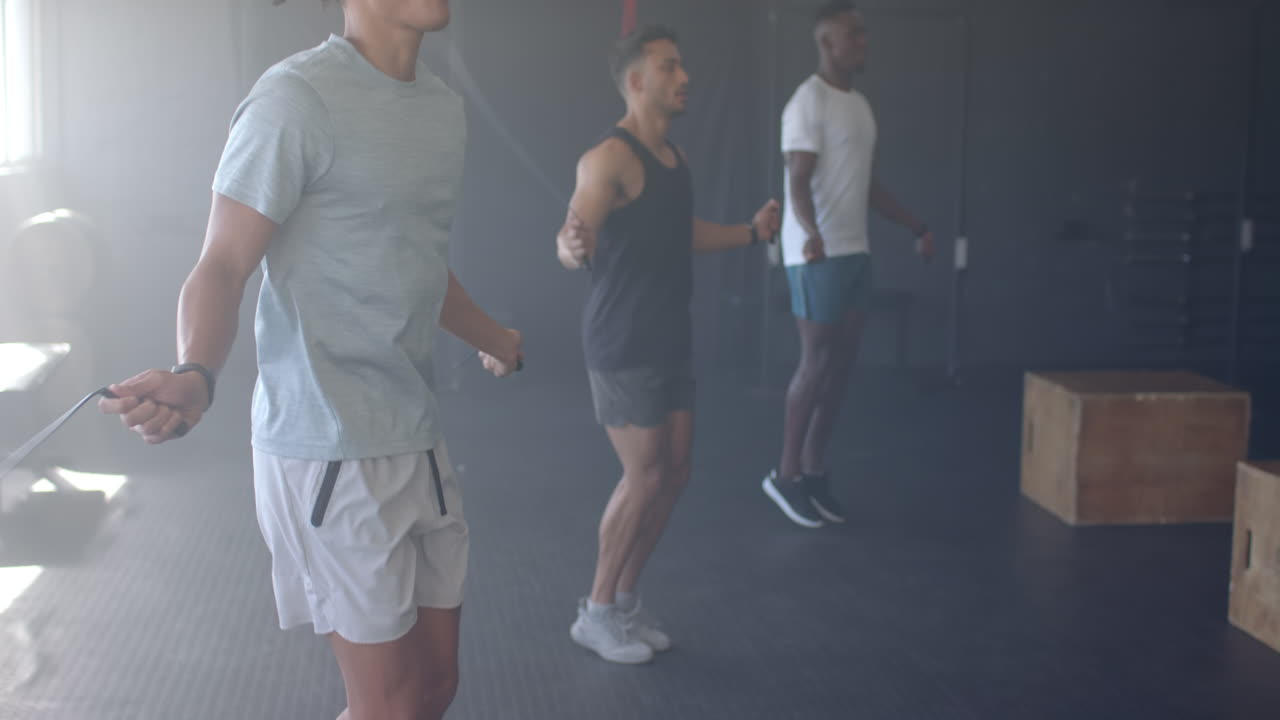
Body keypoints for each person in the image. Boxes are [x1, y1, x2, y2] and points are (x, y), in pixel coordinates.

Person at [97, 1, 522, 718]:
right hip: (327, 447)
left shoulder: (442, 111)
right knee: (388, 706)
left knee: (434, 688)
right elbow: (224, 263)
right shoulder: (296, 98)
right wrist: (197, 371)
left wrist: (491, 335)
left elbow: (412, 259)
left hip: (415, 432)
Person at [555, 24, 780, 665]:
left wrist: (748, 232)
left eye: (682, 67)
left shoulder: (673, 160)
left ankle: (624, 601)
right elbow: (570, 236)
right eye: (670, 67)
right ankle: (595, 612)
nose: (684, 78)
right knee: (645, 472)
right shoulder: (608, 159)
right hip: (622, 340)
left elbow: (680, 234)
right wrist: (572, 249)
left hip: (668, 334)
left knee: (674, 473)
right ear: (636, 81)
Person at [762, 0, 935, 529]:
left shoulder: (858, 106)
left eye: (864, 34)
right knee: (815, 361)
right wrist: (812, 234)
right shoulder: (806, 102)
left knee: (841, 366)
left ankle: (814, 471)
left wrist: (915, 225)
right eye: (853, 35)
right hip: (816, 254)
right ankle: (785, 477)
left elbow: (865, 184)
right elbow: (797, 179)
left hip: (854, 250)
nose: (863, 43)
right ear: (826, 43)